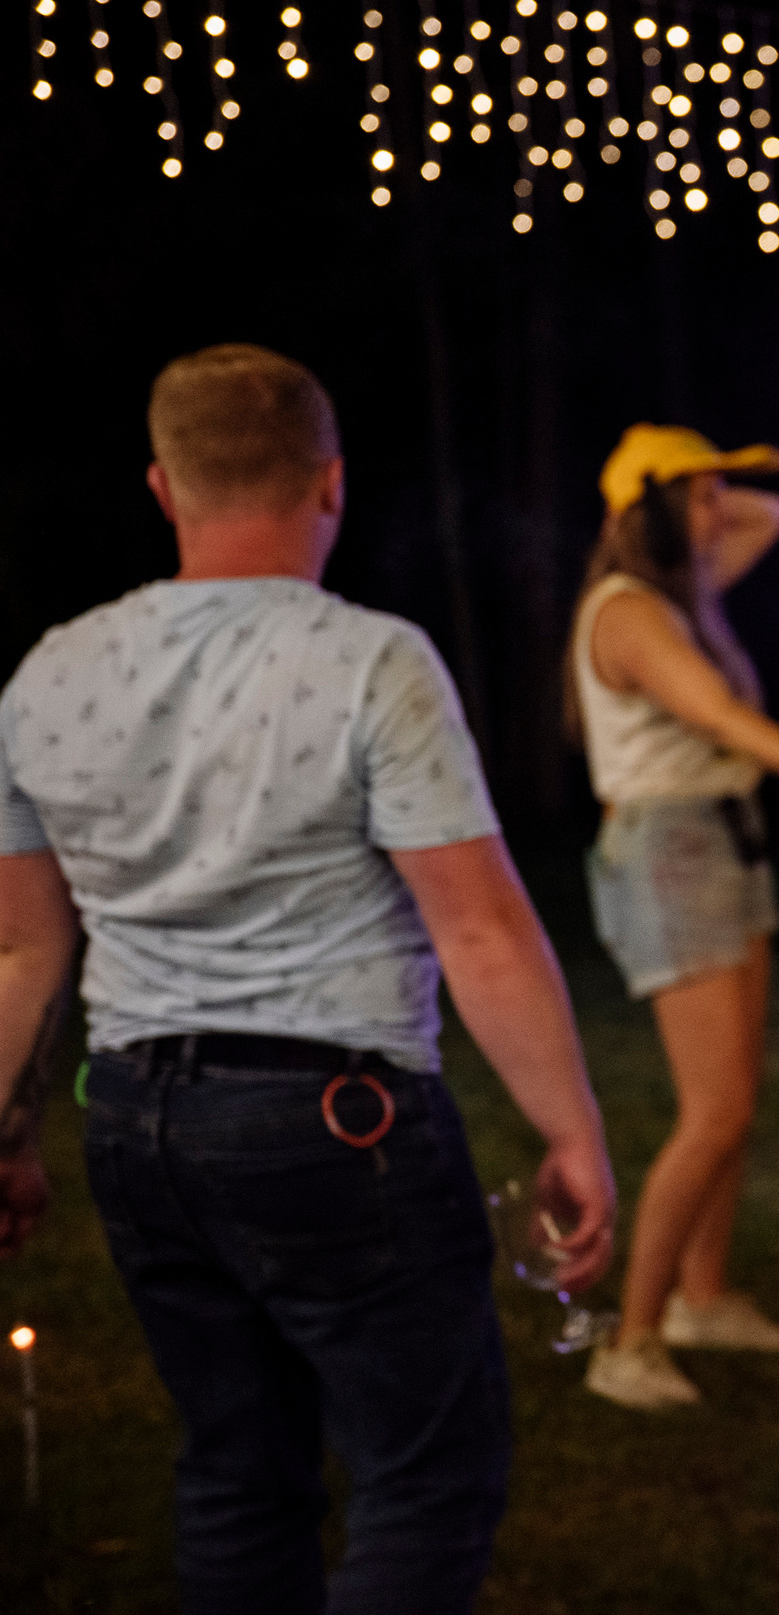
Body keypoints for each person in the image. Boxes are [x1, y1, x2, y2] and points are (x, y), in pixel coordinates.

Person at [0, 344, 617, 1613]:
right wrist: (571, 1130)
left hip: (131, 1120)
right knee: (426, 1477)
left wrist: (10, 1124)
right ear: (330, 484)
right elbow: (483, 929)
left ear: (164, 489)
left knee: (236, 1469)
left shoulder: (49, 671)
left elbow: (23, 945)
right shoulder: (371, 661)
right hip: (335, 1125)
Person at [568, 424, 779, 1410]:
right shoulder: (629, 613)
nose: (723, 511)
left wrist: (708, 482)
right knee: (710, 1113)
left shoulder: (682, 592)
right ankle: (626, 1339)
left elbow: (772, 511)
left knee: (735, 1102)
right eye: (701, 495)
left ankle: (698, 1298)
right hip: (671, 851)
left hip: (716, 839)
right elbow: (714, 711)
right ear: (656, 508)